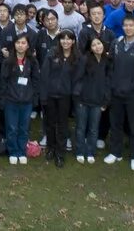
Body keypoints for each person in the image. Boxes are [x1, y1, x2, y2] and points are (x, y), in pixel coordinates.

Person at [104, 15, 134, 172]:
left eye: (131, 25)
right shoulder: (116, 44)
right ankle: (115, 152)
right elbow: (110, 65)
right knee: (115, 124)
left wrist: (133, 86)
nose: (128, 28)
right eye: (125, 25)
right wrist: (112, 84)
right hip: (116, 92)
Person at [0, 35, 41, 165]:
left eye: (23, 43)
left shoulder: (33, 61)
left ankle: (22, 151)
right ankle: (13, 151)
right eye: (18, 42)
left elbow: (36, 81)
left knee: (24, 128)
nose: (20, 45)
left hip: (27, 101)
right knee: (12, 127)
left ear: (28, 45)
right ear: (14, 44)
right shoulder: (8, 62)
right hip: (11, 100)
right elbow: (3, 82)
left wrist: (34, 98)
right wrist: (2, 99)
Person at [43, 29, 77, 168]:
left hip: (65, 96)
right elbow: (44, 74)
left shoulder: (76, 57)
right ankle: (50, 147)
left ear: (73, 41)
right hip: (50, 95)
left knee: (62, 124)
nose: (66, 41)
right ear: (59, 40)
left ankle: (60, 153)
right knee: (50, 123)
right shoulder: (52, 53)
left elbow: (77, 78)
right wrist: (43, 95)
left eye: (69, 39)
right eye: (63, 38)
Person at [74, 36, 111, 164]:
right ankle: (79, 151)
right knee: (81, 127)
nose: (97, 47)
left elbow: (108, 82)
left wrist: (106, 101)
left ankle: (90, 152)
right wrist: (77, 97)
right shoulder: (84, 60)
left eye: (99, 43)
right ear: (90, 48)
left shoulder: (107, 60)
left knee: (94, 128)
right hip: (83, 100)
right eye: (94, 45)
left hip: (98, 101)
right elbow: (77, 79)